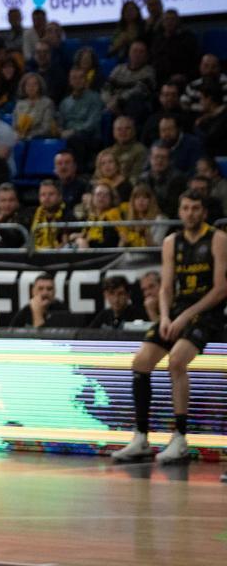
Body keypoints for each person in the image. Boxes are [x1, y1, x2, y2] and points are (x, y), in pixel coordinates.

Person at [112, 192, 226, 465]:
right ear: (180, 211)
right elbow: (165, 287)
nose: (190, 213)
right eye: (185, 208)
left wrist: (186, 315)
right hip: (176, 311)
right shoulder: (170, 242)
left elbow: (222, 288)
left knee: (176, 361)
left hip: (206, 311)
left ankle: (180, 438)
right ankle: (140, 437)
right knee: (140, 362)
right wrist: (164, 317)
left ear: (204, 212)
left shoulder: (218, 239)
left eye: (195, 208)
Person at [9, 274, 75, 328]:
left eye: (49, 289)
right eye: (40, 289)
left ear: (54, 292)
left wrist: (37, 314)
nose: (45, 293)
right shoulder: (25, 312)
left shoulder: (62, 310)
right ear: (33, 291)